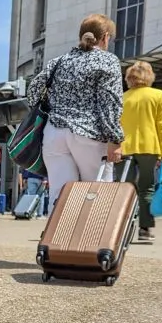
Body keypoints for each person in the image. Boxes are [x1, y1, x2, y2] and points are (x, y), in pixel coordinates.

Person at [27, 13, 124, 209]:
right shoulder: (107, 61)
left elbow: (33, 91)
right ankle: (92, 239)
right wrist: (115, 138)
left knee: (60, 195)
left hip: (54, 134)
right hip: (89, 135)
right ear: (105, 37)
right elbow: (110, 102)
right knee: (97, 194)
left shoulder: (59, 61)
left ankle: (58, 238)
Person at [117, 60, 162, 242]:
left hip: (124, 147)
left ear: (129, 78)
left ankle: (122, 227)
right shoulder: (158, 95)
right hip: (149, 146)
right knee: (146, 188)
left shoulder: (122, 98)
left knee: (124, 188)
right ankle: (145, 229)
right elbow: (161, 125)